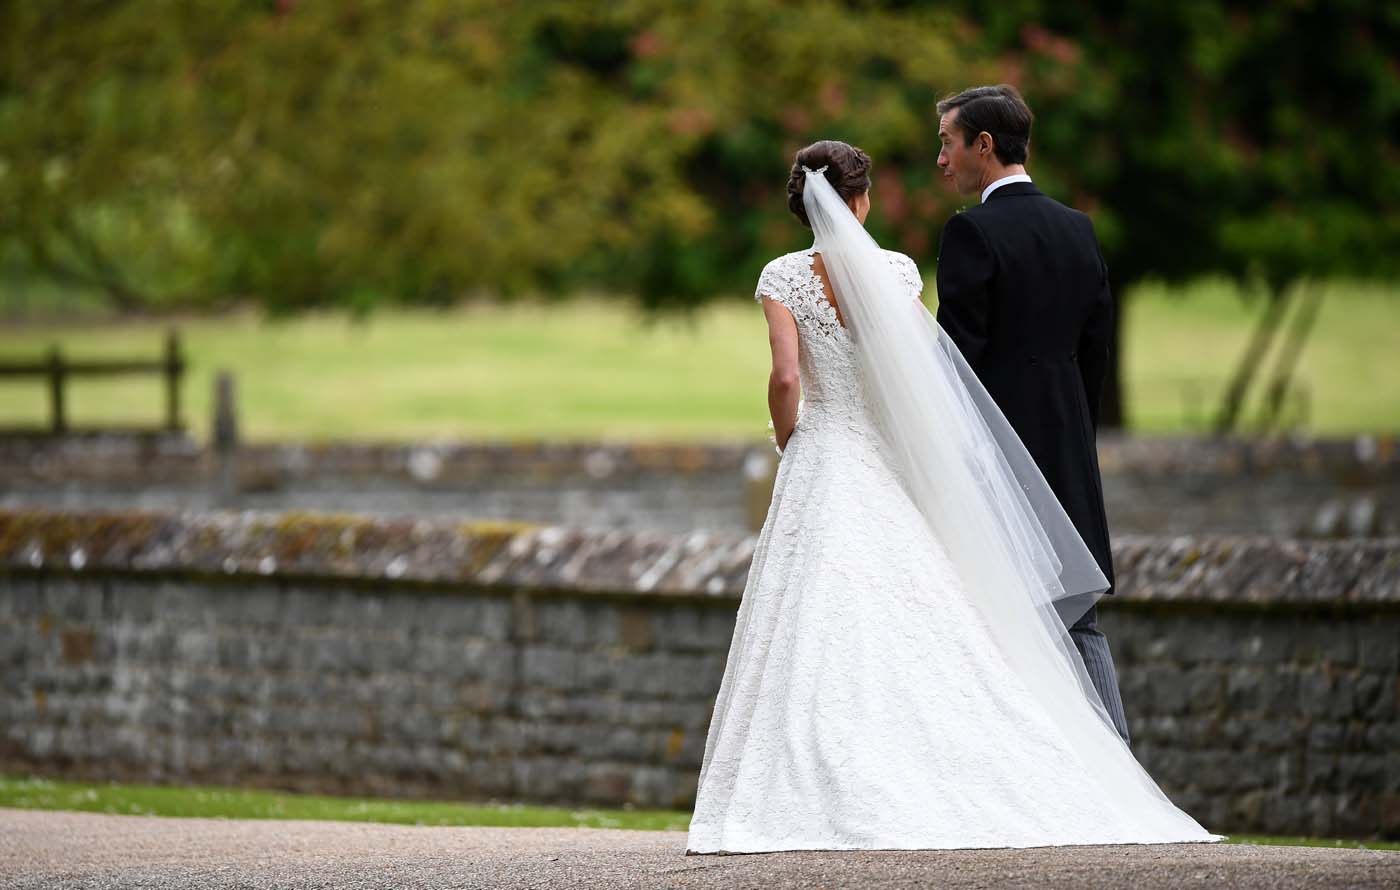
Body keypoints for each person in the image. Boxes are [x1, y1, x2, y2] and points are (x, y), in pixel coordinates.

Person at [685, 137, 1221, 854]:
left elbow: (787, 378)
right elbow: (922, 370)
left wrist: (790, 437)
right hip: (885, 457)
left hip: (827, 450)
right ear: (862, 198)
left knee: (815, 608)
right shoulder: (898, 271)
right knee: (924, 607)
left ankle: (822, 771)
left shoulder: (783, 274)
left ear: (801, 203)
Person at [933, 84, 1128, 743]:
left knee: (991, 624)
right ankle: (1118, 767)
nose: (940, 160)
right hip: (1069, 453)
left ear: (982, 145)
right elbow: (1095, 351)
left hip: (994, 463)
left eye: (947, 143)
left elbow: (954, 368)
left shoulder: (971, 233)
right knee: (1077, 620)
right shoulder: (1079, 229)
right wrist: (1071, 430)